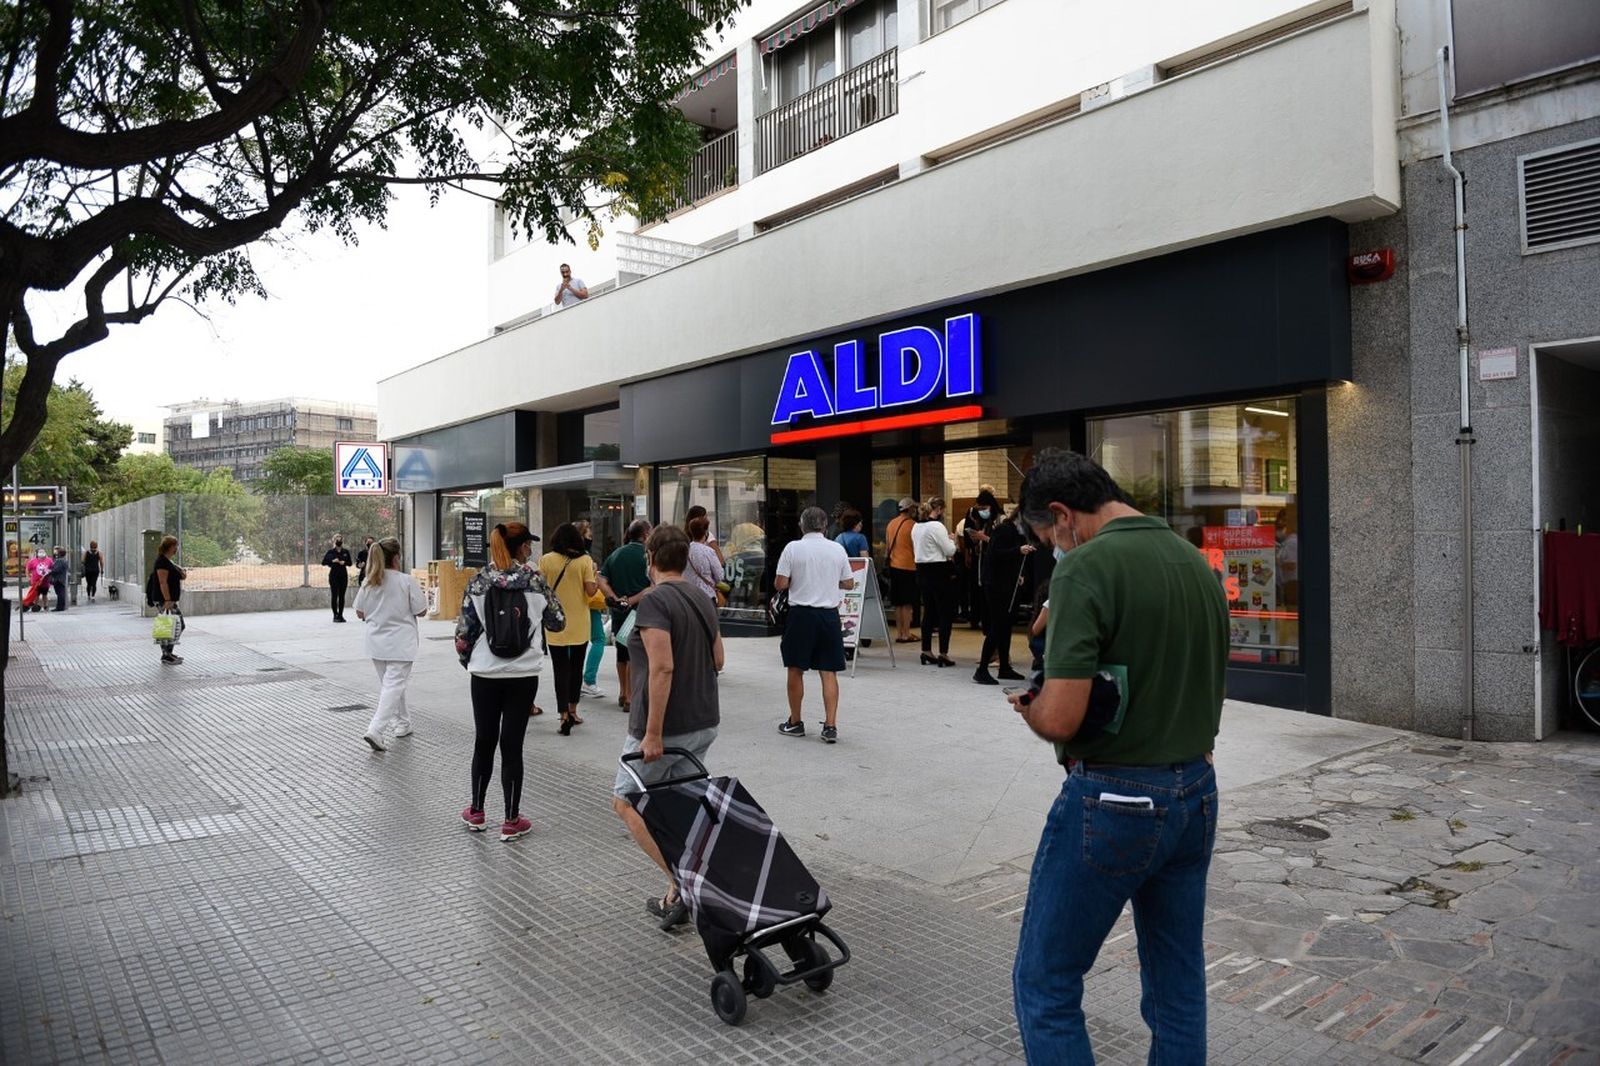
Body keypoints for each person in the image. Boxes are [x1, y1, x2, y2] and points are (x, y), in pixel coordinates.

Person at [1007, 450, 1228, 1063]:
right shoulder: (1193, 561)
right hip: (1196, 792)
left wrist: (1030, 708)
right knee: (1176, 981)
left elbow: (1062, 717)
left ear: (1063, 515)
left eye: (1047, 535)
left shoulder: (1086, 568)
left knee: (1045, 981)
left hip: (1113, 801)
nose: (1052, 546)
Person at [610, 524, 725, 929]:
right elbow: (720, 659)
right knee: (674, 804)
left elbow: (662, 667)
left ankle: (682, 883)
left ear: (651, 558)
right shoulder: (701, 597)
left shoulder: (655, 601)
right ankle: (681, 889)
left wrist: (652, 733)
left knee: (625, 800)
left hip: (665, 726)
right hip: (703, 718)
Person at [454, 522, 564, 842]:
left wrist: (472, 662)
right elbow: (557, 622)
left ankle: (476, 811)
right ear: (521, 547)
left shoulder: (478, 581)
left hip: (484, 674)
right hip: (523, 675)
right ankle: (511, 820)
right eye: (529, 543)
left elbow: (464, 634)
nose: (531, 548)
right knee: (512, 746)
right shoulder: (534, 580)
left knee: (484, 741)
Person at [775, 506, 855, 744]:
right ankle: (830, 726)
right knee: (828, 671)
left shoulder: (793, 548)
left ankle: (795, 721)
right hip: (829, 615)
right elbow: (849, 582)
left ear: (802, 525)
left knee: (795, 668)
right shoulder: (837, 549)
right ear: (825, 526)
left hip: (800, 615)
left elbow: (780, 584)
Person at [353, 537, 428, 751]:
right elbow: (421, 610)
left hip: (376, 644)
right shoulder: (405, 581)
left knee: (392, 686)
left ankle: (402, 723)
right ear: (396, 558)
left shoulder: (369, 581)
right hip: (401, 644)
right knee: (393, 687)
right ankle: (375, 730)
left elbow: (360, 612)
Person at [539, 522, 599, 737]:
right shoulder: (585, 561)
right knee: (576, 668)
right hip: (579, 623)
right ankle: (573, 710)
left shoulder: (546, 560)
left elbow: (541, 589)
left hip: (555, 624)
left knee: (559, 669)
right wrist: (594, 574)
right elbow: (591, 592)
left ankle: (563, 713)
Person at [598, 519, 652, 715]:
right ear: (646, 534)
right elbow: (653, 586)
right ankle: (630, 696)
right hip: (640, 611)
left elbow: (601, 579)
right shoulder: (647, 556)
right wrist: (631, 600)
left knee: (622, 652)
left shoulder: (616, 554)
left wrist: (614, 598)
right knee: (635, 653)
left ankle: (622, 692)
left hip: (619, 612)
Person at [975, 506, 1031, 685]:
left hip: (1007, 584)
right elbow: (995, 554)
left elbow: (1011, 560)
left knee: (1006, 625)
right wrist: (1018, 551)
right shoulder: (1003, 530)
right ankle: (982, 669)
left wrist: (1018, 575)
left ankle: (1004, 667)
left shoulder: (1016, 532)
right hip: (995, 585)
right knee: (998, 625)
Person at [913, 498, 959, 667]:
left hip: (921, 570)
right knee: (945, 613)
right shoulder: (937, 526)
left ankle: (926, 650)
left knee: (929, 611)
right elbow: (949, 550)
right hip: (939, 571)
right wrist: (952, 540)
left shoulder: (916, 527)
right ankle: (943, 653)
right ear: (938, 509)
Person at [575, 520, 609, 700]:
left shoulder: (558, 557)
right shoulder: (586, 558)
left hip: (570, 606)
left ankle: (571, 680)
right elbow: (590, 588)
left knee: (572, 644)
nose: (591, 539)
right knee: (598, 639)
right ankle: (589, 680)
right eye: (588, 536)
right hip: (589, 604)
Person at [963, 487, 1000, 630]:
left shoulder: (999, 520)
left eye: (983, 508)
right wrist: (975, 541)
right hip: (981, 560)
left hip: (993, 564)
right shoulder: (978, 517)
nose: (981, 511)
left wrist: (983, 538)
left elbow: (1001, 544)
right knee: (979, 592)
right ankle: (981, 620)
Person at [884, 498, 919, 644]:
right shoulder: (912, 525)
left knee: (898, 603)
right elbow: (916, 546)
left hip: (894, 566)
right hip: (908, 566)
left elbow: (887, 545)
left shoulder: (891, 524)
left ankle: (899, 633)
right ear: (910, 509)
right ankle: (906, 633)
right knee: (907, 603)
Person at [148, 536, 186, 665]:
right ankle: (166, 655)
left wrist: (181, 572)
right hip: (164, 600)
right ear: (169, 547)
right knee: (170, 625)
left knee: (173, 625)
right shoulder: (162, 562)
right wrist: (168, 600)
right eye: (174, 546)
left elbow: (179, 576)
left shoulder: (168, 562)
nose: (176, 549)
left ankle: (168, 653)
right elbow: (163, 582)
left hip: (168, 599)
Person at [684, 515, 725, 603]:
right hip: (706, 596)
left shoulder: (684, 550)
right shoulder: (709, 552)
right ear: (706, 532)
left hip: (688, 595)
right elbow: (720, 576)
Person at [322, 534, 353, 622]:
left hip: (343, 575)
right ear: (334, 541)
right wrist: (332, 561)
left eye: (340, 539)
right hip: (334, 575)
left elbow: (350, 563)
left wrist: (345, 562)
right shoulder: (330, 552)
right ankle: (335, 615)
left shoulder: (345, 552)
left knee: (342, 596)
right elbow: (323, 562)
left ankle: (340, 615)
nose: (339, 541)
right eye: (337, 539)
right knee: (335, 595)